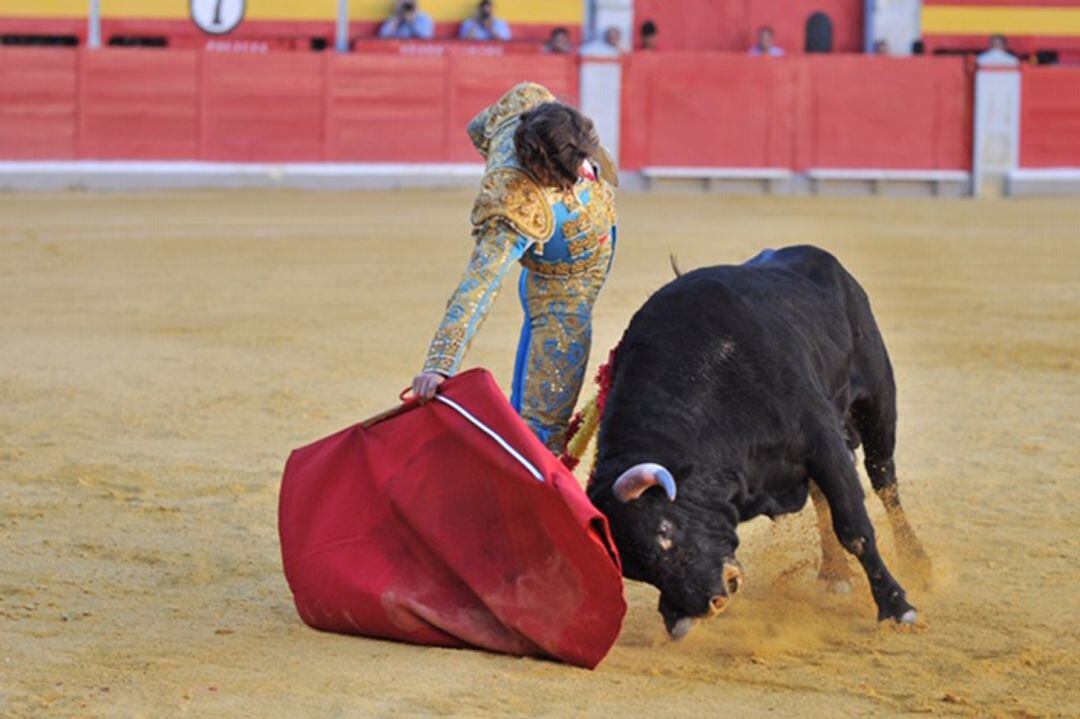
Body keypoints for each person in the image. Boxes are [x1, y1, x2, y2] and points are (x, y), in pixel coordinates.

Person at [411, 83, 619, 454]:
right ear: (542, 167)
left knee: (535, 408)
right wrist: (440, 364)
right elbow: (478, 287)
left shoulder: (529, 99)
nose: (585, 174)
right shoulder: (512, 207)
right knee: (542, 430)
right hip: (563, 287)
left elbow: (478, 128)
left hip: (580, 255)